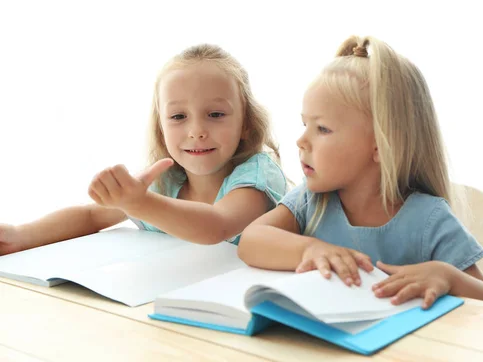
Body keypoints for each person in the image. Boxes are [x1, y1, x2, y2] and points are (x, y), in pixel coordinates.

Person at [238, 36, 483, 309]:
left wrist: (449, 277)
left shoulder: (428, 219)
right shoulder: (311, 202)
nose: (301, 141)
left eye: (322, 129)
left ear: (380, 146)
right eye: (305, 124)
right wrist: (310, 249)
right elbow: (251, 241)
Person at [0, 44, 287, 255]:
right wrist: (20, 235)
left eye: (215, 114)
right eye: (178, 117)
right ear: (161, 127)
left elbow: (217, 227)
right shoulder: (166, 181)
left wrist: (138, 204)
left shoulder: (257, 175)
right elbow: (91, 216)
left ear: (246, 123)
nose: (196, 130)